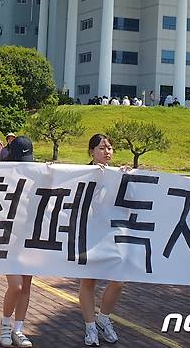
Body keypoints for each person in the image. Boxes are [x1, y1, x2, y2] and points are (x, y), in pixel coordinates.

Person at [80, 134, 129, 346]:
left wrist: (129, 177)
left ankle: (103, 318)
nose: (106, 151)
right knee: (88, 281)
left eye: (110, 147)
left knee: (118, 281)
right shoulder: (80, 173)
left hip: (112, 235)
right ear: (91, 151)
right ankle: (90, 326)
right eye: (101, 148)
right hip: (88, 235)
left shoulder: (118, 175)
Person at [0, 136, 35, 348]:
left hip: (30, 237)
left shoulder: (37, 175)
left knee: (26, 285)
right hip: (8, 238)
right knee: (16, 286)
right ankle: (5, 324)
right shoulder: (2, 175)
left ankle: (18, 329)